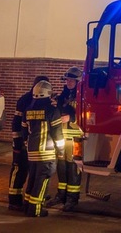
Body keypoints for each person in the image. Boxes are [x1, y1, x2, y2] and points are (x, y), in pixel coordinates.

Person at [22, 79, 64, 217]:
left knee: (33, 179)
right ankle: (36, 209)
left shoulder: (28, 110)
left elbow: (24, 131)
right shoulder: (52, 110)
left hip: (31, 151)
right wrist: (61, 150)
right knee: (43, 180)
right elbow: (57, 133)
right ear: (48, 93)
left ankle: (27, 205)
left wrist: (26, 144)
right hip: (46, 152)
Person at [7, 75, 49, 211]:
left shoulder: (45, 101)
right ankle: (14, 200)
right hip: (23, 143)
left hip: (33, 144)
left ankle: (29, 199)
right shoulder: (25, 100)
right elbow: (16, 123)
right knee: (19, 169)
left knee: (33, 172)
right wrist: (17, 142)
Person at [48, 66, 83, 210]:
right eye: (67, 80)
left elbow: (86, 115)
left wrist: (71, 117)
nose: (68, 82)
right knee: (61, 166)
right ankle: (61, 195)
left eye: (71, 80)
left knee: (73, 167)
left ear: (78, 82)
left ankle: (72, 198)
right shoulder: (62, 96)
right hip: (62, 136)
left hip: (75, 138)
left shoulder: (82, 97)